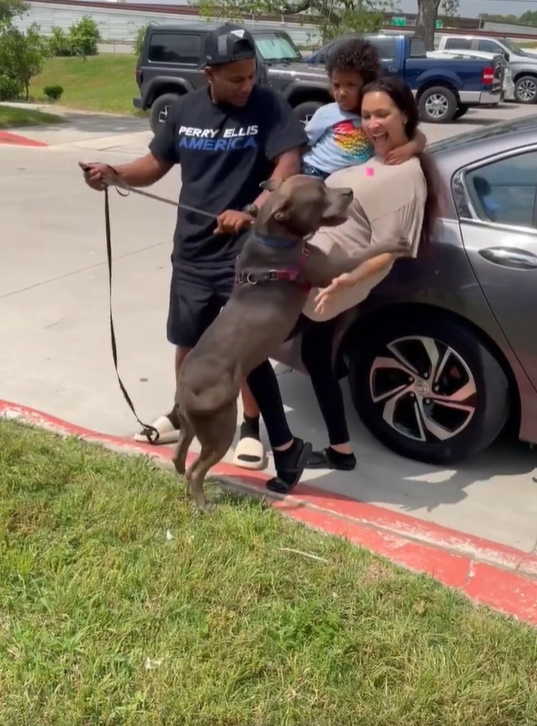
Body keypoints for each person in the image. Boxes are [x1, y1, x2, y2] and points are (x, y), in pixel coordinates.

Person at [80, 23, 308, 472]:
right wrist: (114, 173)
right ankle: (186, 412)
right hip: (192, 252)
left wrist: (254, 207)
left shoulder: (268, 106)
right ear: (209, 73)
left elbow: (288, 165)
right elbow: (154, 165)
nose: (247, 85)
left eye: (251, 75)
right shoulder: (184, 109)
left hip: (247, 255)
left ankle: (250, 428)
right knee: (188, 342)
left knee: (242, 349)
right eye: (236, 78)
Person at [249, 76, 442, 491]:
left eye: (382, 115)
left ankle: (287, 454)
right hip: (312, 267)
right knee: (318, 358)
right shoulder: (383, 158)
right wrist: (413, 140)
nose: (371, 123)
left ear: (404, 114)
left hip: (322, 282)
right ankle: (342, 451)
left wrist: (343, 282)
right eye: (367, 115)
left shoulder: (406, 176)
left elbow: (389, 250)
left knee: (248, 353)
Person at [301, 38, 427, 180]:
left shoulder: (373, 117)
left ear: (367, 84)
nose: (342, 92)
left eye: (351, 85)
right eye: (337, 85)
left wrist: (408, 149)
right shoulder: (327, 113)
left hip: (349, 175)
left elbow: (419, 136)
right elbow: (303, 144)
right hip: (314, 171)